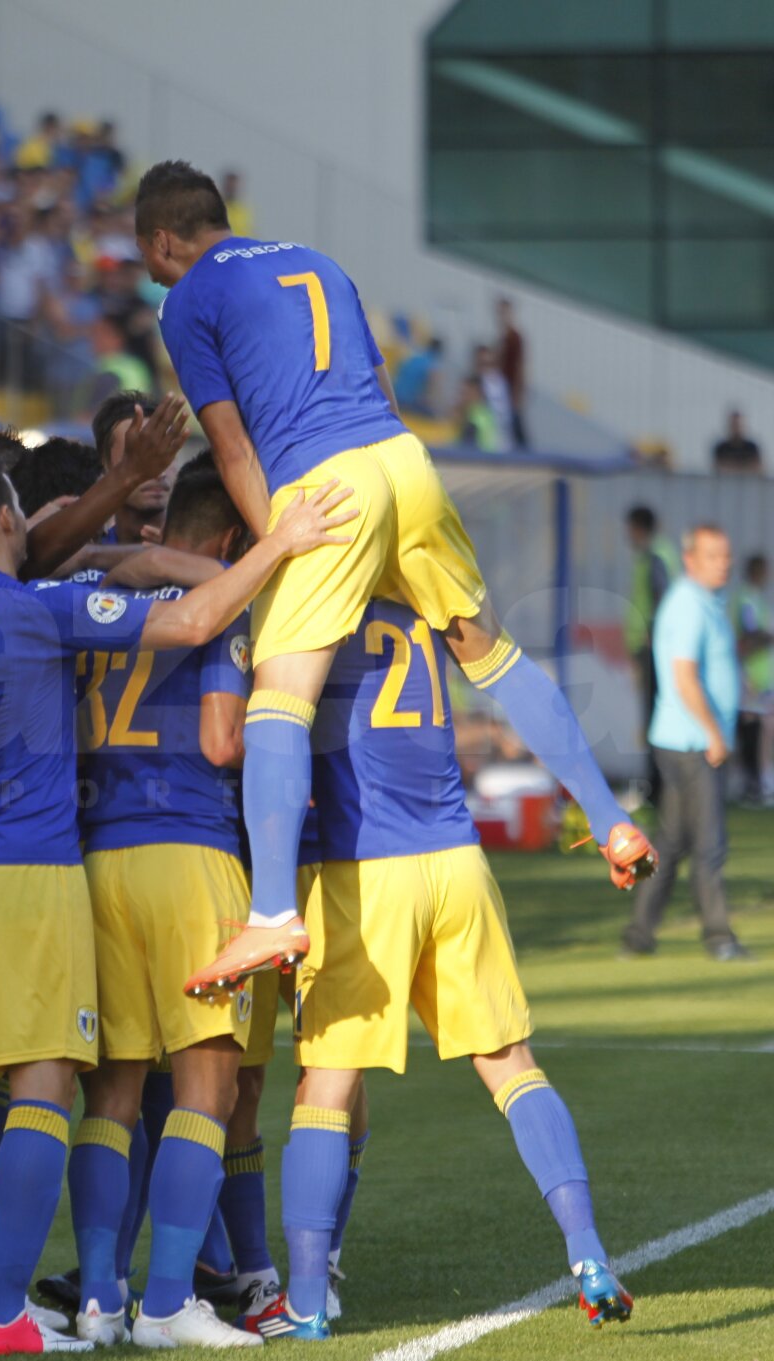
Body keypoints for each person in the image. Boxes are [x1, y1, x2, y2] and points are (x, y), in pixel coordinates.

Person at [0, 449, 353, 1358]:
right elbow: (192, 620)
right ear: (9, 522)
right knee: (49, 1082)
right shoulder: (41, 608)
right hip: (36, 870)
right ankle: (11, 1314)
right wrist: (280, 543)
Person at [134, 159, 655, 989]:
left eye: (150, 262)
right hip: (403, 459)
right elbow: (378, 387)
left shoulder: (187, 298)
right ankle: (610, 817)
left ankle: (271, 914)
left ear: (163, 242)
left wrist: (279, 545)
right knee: (491, 654)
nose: (154, 276)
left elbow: (231, 447)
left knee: (278, 697)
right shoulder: (319, 262)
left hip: (323, 482)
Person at [234, 593, 632, 1339]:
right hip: (455, 857)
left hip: (361, 866)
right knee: (512, 1064)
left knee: (327, 1084)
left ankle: (308, 1302)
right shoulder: (425, 592)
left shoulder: (312, 596)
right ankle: (588, 1253)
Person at [69, 456, 264, 1350]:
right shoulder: (221, 604)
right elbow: (222, 741)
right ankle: (170, 1303)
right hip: (190, 854)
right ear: (231, 535)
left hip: (101, 856)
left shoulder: (101, 603)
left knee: (112, 1089)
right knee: (206, 1086)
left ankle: (99, 1299)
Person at [622, 525, 748, 963]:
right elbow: (684, 677)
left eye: (726, 555)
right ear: (690, 559)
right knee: (709, 844)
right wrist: (714, 733)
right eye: (713, 555)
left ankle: (638, 935)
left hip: (684, 739)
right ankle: (720, 937)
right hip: (692, 743)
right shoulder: (688, 604)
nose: (724, 563)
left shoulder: (707, 601)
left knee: (672, 842)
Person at [624, 505, 680, 803]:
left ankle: (656, 788)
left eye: (630, 529)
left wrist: (651, 634)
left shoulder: (655, 556)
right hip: (655, 648)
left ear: (639, 528)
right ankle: (659, 786)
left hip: (652, 649)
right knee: (656, 715)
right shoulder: (659, 553)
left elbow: (662, 595)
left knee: (654, 717)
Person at [92, 390, 173, 544]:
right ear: (103, 465)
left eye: (164, 454)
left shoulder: (211, 551)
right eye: (137, 457)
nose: (158, 472)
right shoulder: (82, 554)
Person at [734, 553, 773, 804]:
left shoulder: (756, 598)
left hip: (761, 676)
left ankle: (760, 780)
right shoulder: (746, 598)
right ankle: (752, 784)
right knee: (751, 729)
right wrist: (769, 637)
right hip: (749, 675)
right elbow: (749, 634)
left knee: (761, 731)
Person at [495, 297, 527, 448]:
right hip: (502, 387)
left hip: (510, 387)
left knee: (514, 420)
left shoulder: (514, 337)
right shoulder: (502, 337)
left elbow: (520, 366)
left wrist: (517, 393)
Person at [393, 337, 444, 416]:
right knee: (434, 415)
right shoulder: (432, 365)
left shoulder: (413, 358)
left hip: (394, 397)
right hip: (407, 404)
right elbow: (431, 390)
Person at [711, 410, 763, 475]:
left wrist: (733, 467)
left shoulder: (751, 448)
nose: (736, 428)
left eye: (738, 425)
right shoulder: (721, 448)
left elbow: (758, 468)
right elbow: (717, 468)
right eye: (734, 425)